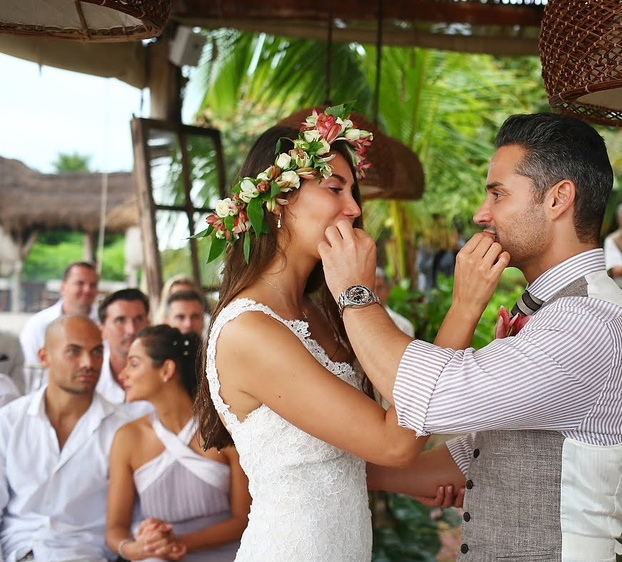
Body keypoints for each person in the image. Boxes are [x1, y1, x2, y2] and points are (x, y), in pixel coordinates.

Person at [323, 112, 622, 560]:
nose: (483, 214)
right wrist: (329, 470)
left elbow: (435, 399)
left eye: (498, 194)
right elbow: (477, 456)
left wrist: (354, 293)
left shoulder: (587, 321)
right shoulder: (559, 310)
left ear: (559, 198)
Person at [192, 109, 432, 560]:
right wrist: (464, 307)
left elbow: (358, 455)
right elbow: (393, 442)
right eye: (335, 188)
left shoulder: (323, 311)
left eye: (353, 192)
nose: (355, 209)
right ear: (279, 201)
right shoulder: (249, 329)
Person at [107, 326, 248, 562]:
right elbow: (114, 528)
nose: (123, 375)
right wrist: (133, 549)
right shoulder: (127, 438)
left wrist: (180, 542)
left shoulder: (222, 429)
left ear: (167, 370)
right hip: (157, 556)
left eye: (133, 363)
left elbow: (245, 517)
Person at [0, 315, 132, 561]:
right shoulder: (8, 422)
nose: (88, 363)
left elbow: (132, 522)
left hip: (81, 555)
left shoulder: (123, 430)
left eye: (96, 352)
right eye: (74, 351)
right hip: (15, 553)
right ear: (43, 357)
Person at [18, 262, 100, 376]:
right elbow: (28, 371)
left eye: (93, 285)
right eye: (80, 283)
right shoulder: (38, 324)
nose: (87, 289)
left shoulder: (107, 322)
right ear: (63, 288)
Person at [95, 289, 154, 417]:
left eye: (138, 319)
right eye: (120, 320)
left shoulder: (165, 377)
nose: (131, 330)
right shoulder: (91, 379)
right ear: (102, 330)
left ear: (148, 325)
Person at [374, 267, 415, 337]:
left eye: (379, 287)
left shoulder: (403, 326)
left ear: (388, 290)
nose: (375, 292)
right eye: (371, 288)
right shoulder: (354, 323)